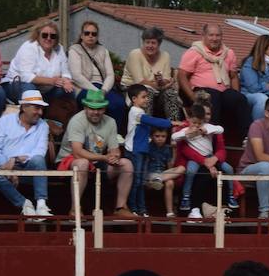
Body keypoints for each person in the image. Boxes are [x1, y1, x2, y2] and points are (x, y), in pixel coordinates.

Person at [57, 89, 133, 219]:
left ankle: (120, 207)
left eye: (100, 109)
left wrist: (115, 156)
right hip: (70, 160)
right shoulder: (77, 120)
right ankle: (75, 208)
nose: (96, 112)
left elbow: (114, 148)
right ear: (85, 107)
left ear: (104, 109)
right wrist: (104, 157)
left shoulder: (110, 122)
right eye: (92, 108)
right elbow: (77, 152)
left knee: (126, 164)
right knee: (83, 163)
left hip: (97, 161)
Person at [0, 89, 53, 217]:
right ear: (24, 107)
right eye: (36, 108)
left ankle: (41, 204)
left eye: (41, 109)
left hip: (30, 170)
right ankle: (24, 204)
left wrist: (15, 159)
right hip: (6, 167)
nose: (40, 112)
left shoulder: (43, 126)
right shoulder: (5, 121)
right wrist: (7, 167)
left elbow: (40, 151)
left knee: (38, 159)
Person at [178, 23, 250, 143]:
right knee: (213, 96)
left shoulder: (228, 53)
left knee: (239, 98)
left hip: (223, 91)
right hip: (201, 91)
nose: (215, 38)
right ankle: (213, 139)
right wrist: (192, 97)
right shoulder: (194, 52)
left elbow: (233, 77)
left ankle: (246, 137)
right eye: (211, 35)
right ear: (204, 36)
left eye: (218, 35)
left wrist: (235, 93)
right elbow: (182, 75)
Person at [174, 104, 237, 217]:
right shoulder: (185, 129)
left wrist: (205, 130)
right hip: (195, 159)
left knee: (229, 169)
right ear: (189, 120)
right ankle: (186, 197)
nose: (197, 125)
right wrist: (186, 133)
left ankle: (230, 196)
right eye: (194, 122)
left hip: (210, 156)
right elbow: (175, 137)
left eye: (199, 122)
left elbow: (220, 129)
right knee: (191, 171)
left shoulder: (208, 127)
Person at [126, 84, 174, 217]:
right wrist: (170, 123)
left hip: (141, 150)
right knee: (136, 181)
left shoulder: (140, 111)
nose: (147, 99)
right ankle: (134, 208)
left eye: (147, 97)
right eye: (144, 97)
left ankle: (142, 209)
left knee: (140, 181)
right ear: (134, 99)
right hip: (135, 150)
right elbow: (150, 120)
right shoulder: (135, 111)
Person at [68, 20, 126, 128]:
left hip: (103, 87)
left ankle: (114, 134)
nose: (90, 36)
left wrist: (103, 90)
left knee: (119, 103)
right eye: (87, 33)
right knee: (96, 104)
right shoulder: (74, 50)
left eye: (94, 34)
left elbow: (110, 75)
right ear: (81, 35)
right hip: (84, 87)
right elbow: (76, 76)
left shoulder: (103, 50)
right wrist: (96, 91)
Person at [3, 21, 74, 104]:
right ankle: (29, 114)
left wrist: (66, 82)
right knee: (30, 89)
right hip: (17, 85)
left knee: (69, 90)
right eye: (45, 35)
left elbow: (65, 73)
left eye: (52, 36)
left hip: (45, 89)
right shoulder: (29, 47)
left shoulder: (59, 48)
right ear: (38, 36)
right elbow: (26, 76)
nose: (48, 38)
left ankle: (62, 115)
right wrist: (52, 81)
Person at [122, 26, 181, 123]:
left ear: (159, 44)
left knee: (171, 93)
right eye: (147, 42)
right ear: (143, 42)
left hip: (158, 89)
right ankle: (146, 126)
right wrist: (161, 85)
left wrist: (161, 82)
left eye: (153, 43)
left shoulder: (165, 56)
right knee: (146, 92)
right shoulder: (135, 54)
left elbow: (166, 79)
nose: (150, 46)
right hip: (132, 88)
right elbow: (139, 81)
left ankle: (174, 127)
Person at [141, 125, 183, 217]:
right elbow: (144, 166)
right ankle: (156, 180)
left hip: (162, 175)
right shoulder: (148, 147)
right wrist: (145, 180)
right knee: (169, 181)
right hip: (150, 175)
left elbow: (170, 166)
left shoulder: (167, 149)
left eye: (163, 136)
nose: (160, 139)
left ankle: (169, 212)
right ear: (151, 136)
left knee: (181, 170)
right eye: (157, 136)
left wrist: (174, 150)